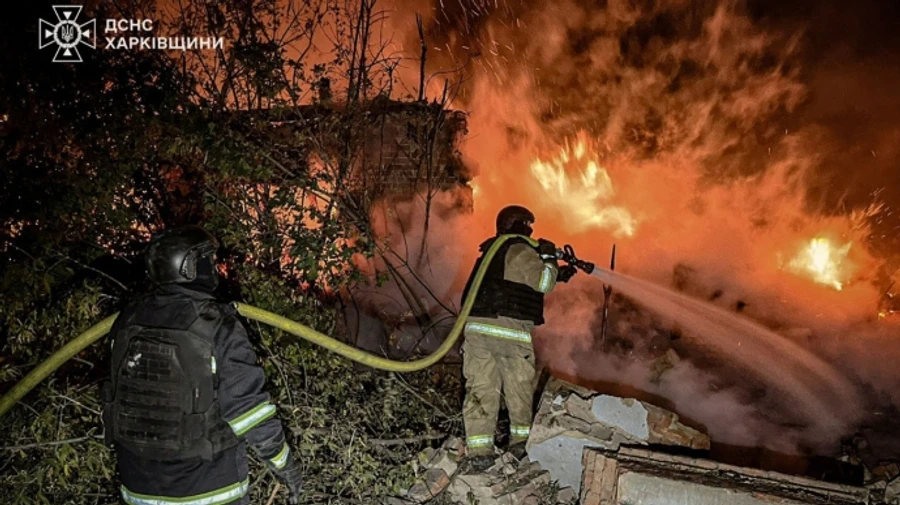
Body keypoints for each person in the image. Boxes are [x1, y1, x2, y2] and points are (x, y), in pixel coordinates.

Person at [101, 224, 303, 505]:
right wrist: (285, 466)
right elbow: (250, 411)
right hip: (207, 488)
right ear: (189, 267)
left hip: (139, 486)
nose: (214, 268)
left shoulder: (127, 320)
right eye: (208, 260)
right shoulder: (217, 325)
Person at [459, 205, 577, 471]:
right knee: (519, 389)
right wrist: (548, 258)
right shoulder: (521, 249)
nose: (532, 230)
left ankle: (479, 452)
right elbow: (543, 283)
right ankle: (520, 445)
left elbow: (517, 280)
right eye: (528, 225)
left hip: (477, 331)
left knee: (480, 389)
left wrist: (559, 273)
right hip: (510, 332)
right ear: (519, 225)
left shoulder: (491, 251)